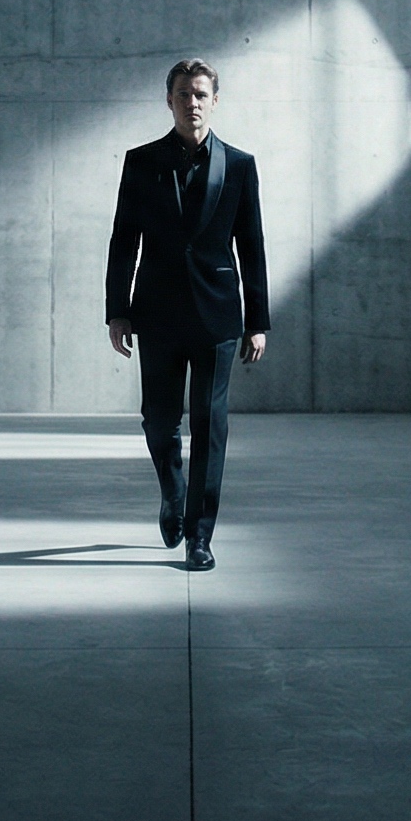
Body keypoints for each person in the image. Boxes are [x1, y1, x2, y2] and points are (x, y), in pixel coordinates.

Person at [105, 59, 268, 572]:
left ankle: (200, 535)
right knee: (158, 421)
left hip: (218, 316)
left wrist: (257, 320)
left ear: (214, 100)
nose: (191, 102)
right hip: (154, 314)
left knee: (210, 424)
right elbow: (123, 238)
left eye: (200, 94)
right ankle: (173, 494)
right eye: (182, 94)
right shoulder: (140, 161)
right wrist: (117, 310)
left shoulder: (240, 165)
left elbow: (252, 245)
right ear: (169, 100)